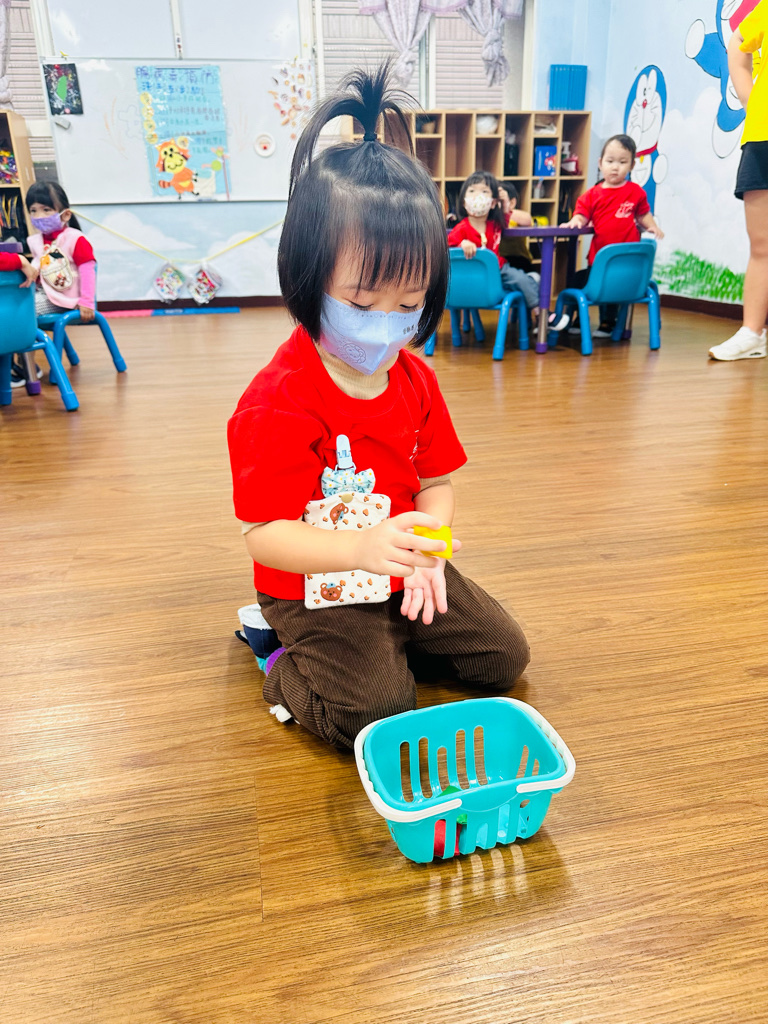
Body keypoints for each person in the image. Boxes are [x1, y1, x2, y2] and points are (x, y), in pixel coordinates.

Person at [227, 65, 530, 750]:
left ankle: (385, 643)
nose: (385, 325)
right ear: (306, 277)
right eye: (362, 303)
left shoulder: (414, 378)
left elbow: (436, 484)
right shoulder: (276, 402)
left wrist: (428, 549)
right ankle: (277, 658)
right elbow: (264, 533)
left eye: (409, 304)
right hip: (312, 582)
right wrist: (357, 550)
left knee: (502, 657)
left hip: (396, 566)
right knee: (375, 715)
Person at [709, 1, 768, 361]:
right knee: (762, 245)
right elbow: (737, 44)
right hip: (762, 136)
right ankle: (752, 333)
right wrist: (751, 100)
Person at [560, 134, 664, 336]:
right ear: (600, 163)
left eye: (622, 162)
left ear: (632, 165)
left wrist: (652, 226)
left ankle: (608, 323)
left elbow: (643, 214)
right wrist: (576, 221)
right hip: (600, 260)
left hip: (627, 263)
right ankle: (578, 319)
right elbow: (582, 214)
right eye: (610, 161)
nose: (615, 167)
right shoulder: (593, 194)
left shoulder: (636, 192)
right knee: (579, 281)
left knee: (613, 287)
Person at [11, 181, 97, 388]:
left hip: (66, 300)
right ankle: (19, 364)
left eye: (46, 209)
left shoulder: (75, 239)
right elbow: (38, 267)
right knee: (12, 309)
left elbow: (87, 269)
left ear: (65, 215)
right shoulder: (35, 241)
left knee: (22, 314)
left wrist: (87, 302)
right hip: (44, 294)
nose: (39, 216)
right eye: (33, 210)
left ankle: (26, 367)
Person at [447, 170, 541, 316]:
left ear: (492, 203)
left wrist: (505, 203)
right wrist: (462, 244)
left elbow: (523, 219)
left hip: (500, 270)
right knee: (525, 280)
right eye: (471, 191)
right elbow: (448, 247)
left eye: (484, 191)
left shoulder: (496, 224)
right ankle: (532, 282)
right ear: (464, 202)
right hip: (472, 275)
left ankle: (539, 313)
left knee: (521, 279)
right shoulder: (461, 228)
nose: (477, 196)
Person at [498, 181, 535, 273]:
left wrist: (504, 210)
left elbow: (527, 219)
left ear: (512, 203)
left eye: (500, 201)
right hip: (497, 259)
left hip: (518, 259)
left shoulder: (514, 216)